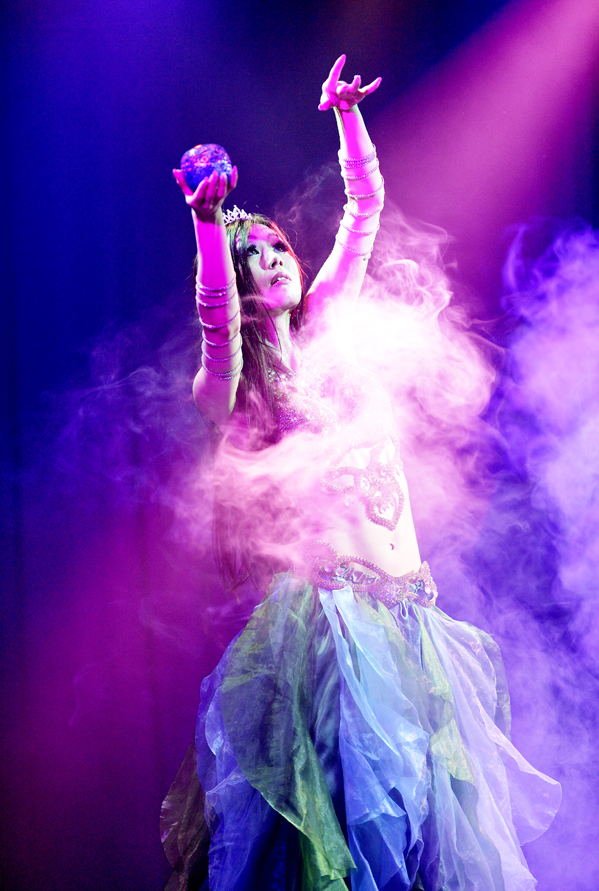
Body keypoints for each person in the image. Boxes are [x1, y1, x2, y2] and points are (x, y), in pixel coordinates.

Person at [160, 56, 560, 891]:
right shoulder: (230, 388)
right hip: (333, 632)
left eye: (276, 247)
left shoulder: (333, 334)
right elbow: (215, 322)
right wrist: (207, 225)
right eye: (250, 256)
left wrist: (346, 119)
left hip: (414, 618)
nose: (272, 259)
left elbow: (365, 210)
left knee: (430, 833)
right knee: (353, 833)